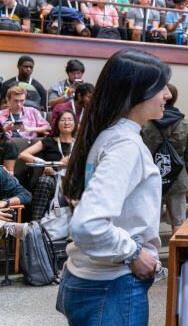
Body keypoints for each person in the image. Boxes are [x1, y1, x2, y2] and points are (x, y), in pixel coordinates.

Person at [57, 49, 171, 325]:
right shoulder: (124, 145)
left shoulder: (111, 133)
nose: (167, 94)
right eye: (160, 87)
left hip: (95, 282)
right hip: (110, 287)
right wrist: (132, 252)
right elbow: (87, 225)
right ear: (136, 92)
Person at [140, 83, 188, 234]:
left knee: (150, 222)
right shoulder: (187, 125)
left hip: (151, 177)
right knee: (179, 223)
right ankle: (177, 257)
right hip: (178, 178)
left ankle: (150, 256)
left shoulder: (145, 124)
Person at [19, 110, 76, 221]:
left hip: (72, 178)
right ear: (57, 123)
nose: (66, 123)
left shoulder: (79, 143)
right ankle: (35, 224)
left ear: (75, 123)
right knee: (45, 181)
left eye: (70, 120)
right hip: (52, 176)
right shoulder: (48, 141)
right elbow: (23, 154)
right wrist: (45, 163)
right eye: (63, 120)